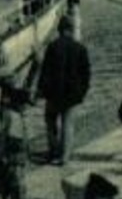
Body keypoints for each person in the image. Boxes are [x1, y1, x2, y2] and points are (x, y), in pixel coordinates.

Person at [36, 15, 92, 164]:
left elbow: (45, 72)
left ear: (59, 29)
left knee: (50, 121)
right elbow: (86, 74)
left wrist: (41, 91)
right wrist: (82, 92)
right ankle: (65, 156)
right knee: (68, 124)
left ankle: (54, 151)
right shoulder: (80, 48)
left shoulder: (53, 47)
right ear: (71, 30)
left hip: (54, 94)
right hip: (73, 94)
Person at [0, 84, 32, 199]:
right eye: (24, 105)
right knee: (18, 194)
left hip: (5, 161)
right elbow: (16, 141)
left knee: (1, 190)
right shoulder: (15, 118)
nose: (26, 108)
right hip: (15, 163)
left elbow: (1, 138)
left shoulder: (7, 115)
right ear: (18, 104)